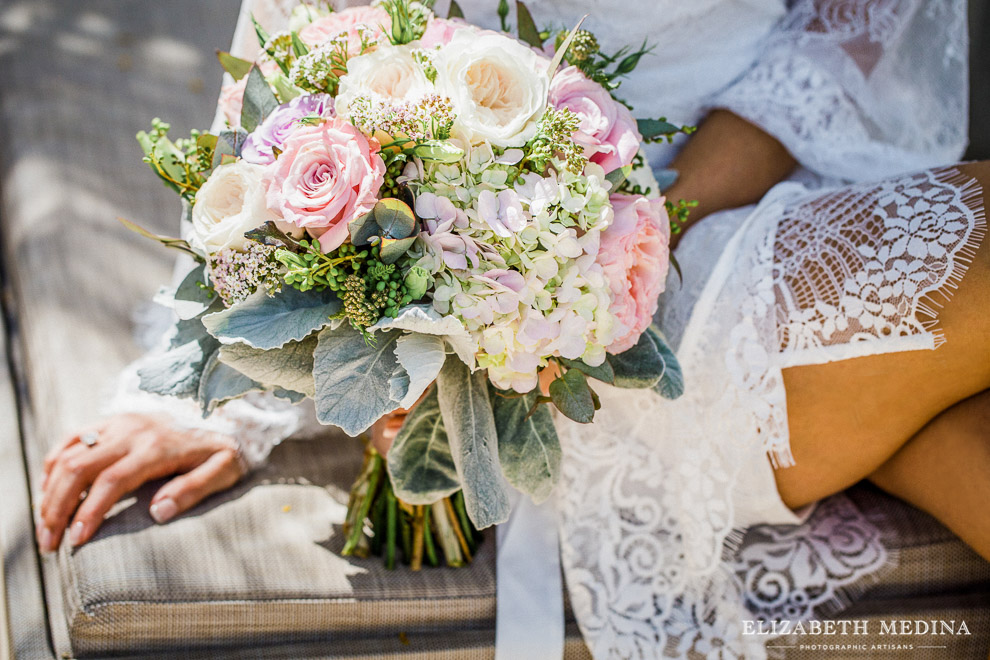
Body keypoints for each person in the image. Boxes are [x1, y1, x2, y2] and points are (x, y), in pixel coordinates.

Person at [38, 0, 988, 656]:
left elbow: (855, 28)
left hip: (745, 205)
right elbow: (306, 41)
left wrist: (628, 248)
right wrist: (224, 380)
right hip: (545, 333)